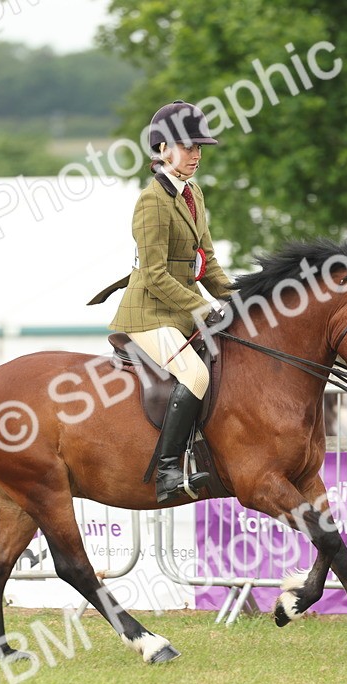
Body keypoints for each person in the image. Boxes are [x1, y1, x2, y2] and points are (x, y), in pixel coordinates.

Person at [89, 100, 233, 503]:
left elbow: (207, 263)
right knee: (197, 376)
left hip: (179, 312)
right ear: (163, 148)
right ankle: (168, 471)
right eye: (188, 147)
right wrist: (202, 307)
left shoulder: (193, 193)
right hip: (149, 315)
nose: (196, 155)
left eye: (199, 147)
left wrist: (242, 298)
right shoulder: (152, 201)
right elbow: (154, 275)